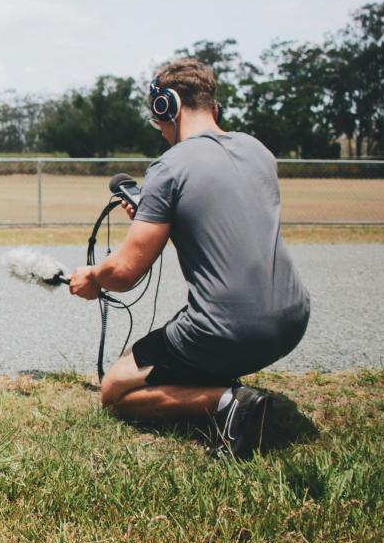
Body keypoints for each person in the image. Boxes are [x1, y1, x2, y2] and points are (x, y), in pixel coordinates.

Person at [68, 58, 310, 458]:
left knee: (115, 391)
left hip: (226, 329)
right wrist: (159, 214)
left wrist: (92, 277)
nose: (160, 131)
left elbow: (126, 272)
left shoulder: (169, 167)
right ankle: (225, 387)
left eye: (157, 118)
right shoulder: (259, 152)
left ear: (167, 105)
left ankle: (228, 404)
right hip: (291, 321)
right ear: (213, 106)